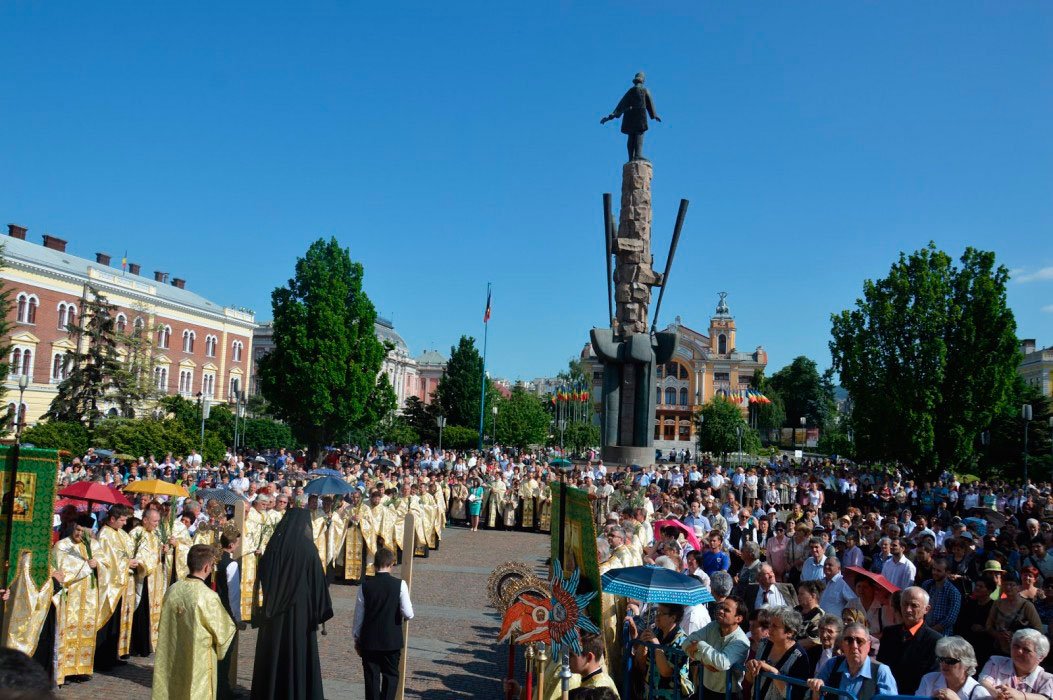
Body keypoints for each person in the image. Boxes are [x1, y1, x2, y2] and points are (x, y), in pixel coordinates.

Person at [252, 508, 334, 700]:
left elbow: (263, 574)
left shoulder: (273, 546)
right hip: (300, 612)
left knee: (273, 655)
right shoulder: (308, 549)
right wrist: (320, 610)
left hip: (273, 614)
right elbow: (318, 582)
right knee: (297, 654)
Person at [151, 544, 237, 700]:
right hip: (198, 661)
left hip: (173, 656)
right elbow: (224, 632)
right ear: (206, 567)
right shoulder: (208, 596)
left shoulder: (172, 589)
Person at [354, 547, 414, 700]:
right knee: (390, 676)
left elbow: (359, 616)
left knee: (371, 678)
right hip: (391, 640)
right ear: (391, 564)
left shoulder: (364, 586)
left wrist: (357, 637)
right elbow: (408, 613)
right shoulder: (400, 585)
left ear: (374, 565)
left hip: (369, 640)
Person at [877, 586, 941, 696]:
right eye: (905, 604)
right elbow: (881, 667)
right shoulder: (889, 633)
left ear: (926, 609)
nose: (908, 610)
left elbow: (931, 678)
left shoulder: (935, 640)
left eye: (914, 605)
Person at [683, 595, 750, 700]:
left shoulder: (741, 641)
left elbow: (722, 663)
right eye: (721, 607)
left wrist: (700, 644)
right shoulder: (713, 626)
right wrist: (703, 659)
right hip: (705, 690)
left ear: (738, 618)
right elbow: (686, 643)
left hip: (727, 695)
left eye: (726, 610)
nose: (721, 611)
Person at [809, 622, 898, 700]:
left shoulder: (881, 671)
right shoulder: (832, 664)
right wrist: (816, 688)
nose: (854, 646)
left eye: (859, 641)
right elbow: (814, 697)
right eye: (849, 640)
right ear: (842, 644)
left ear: (868, 645)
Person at [745, 606, 812, 700]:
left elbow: (795, 695)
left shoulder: (799, 656)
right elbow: (751, 680)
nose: (770, 629)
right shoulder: (764, 644)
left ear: (790, 632)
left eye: (775, 626)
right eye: (770, 624)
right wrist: (751, 667)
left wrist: (773, 672)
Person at [599, 71, 661, 162]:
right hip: (640, 114)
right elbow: (649, 103)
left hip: (629, 114)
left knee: (631, 135)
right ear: (643, 80)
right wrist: (654, 115)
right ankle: (638, 155)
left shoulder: (630, 91)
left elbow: (622, 103)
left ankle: (631, 157)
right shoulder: (645, 90)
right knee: (639, 133)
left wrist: (613, 114)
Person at [978, 628, 1053, 700]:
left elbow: (1046, 698)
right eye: (1016, 646)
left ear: (1040, 657)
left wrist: (1020, 696)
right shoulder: (996, 662)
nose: (1019, 651)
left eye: (1026, 649)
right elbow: (983, 682)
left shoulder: (1047, 679)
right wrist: (999, 694)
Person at [916, 636, 991, 700]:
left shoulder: (979, 693)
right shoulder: (929, 680)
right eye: (941, 659)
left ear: (967, 664)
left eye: (950, 661)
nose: (943, 664)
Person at [986, 578, 1042, 656]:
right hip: (999, 649)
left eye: (1012, 585)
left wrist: (1017, 637)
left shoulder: (1027, 605)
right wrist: (997, 635)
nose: (1008, 587)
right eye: (1005, 585)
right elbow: (989, 625)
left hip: (1020, 651)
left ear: (1018, 587)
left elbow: (1038, 629)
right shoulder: (997, 603)